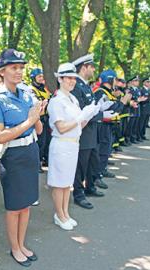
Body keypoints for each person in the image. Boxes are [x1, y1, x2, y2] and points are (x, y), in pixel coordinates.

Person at [0, 49, 43, 267]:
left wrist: (37, 115)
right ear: (2, 72)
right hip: (12, 156)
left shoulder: (27, 93)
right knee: (14, 206)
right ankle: (15, 248)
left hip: (30, 152)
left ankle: (22, 243)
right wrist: (29, 122)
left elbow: (38, 130)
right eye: (14, 68)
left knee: (26, 204)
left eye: (21, 68)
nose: (19, 72)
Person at [47, 63, 88, 230]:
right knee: (59, 182)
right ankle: (59, 215)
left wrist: (86, 116)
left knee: (67, 183)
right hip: (61, 145)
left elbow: (78, 126)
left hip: (73, 144)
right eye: (69, 78)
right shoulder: (56, 101)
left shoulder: (74, 99)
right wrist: (79, 119)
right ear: (60, 79)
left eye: (74, 78)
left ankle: (65, 212)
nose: (72, 81)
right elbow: (61, 127)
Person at [71, 54, 105, 210]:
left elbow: (93, 109)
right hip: (83, 133)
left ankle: (90, 187)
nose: (93, 69)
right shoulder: (76, 86)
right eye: (91, 66)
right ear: (83, 67)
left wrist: (97, 113)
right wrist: (97, 114)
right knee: (80, 165)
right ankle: (78, 193)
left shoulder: (86, 86)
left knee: (92, 162)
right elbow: (81, 112)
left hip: (91, 132)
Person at [94, 70, 121, 190]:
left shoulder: (109, 92)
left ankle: (102, 169)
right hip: (102, 125)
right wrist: (123, 101)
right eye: (115, 79)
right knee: (102, 149)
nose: (116, 82)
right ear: (110, 79)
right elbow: (109, 108)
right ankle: (97, 176)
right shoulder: (101, 92)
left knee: (107, 148)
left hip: (109, 125)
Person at [29, 68, 51, 172]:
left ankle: (44, 160)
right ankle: (36, 164)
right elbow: (37, 103)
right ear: (33, 78)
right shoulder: (32, 89)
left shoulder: (45, 89)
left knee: (46, 141)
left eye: (42, 76)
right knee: (39, 142)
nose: (42, 78)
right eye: (39, 77)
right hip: (38, 118)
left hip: (46, 118)